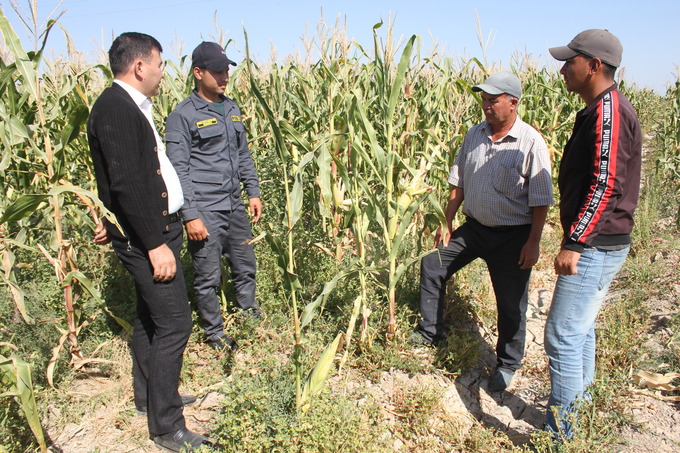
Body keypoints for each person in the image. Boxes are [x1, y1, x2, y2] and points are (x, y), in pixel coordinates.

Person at [88, 32, 213, 451]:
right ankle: (166, 426)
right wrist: (153, 243)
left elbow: (127, 177)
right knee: (176, 323)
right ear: (140, 66)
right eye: (159, 63)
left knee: (148, 318)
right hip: (150, 237)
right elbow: (124, 183)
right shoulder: (116, 108)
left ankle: (150, 399)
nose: (163, 72)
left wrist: (119, 219)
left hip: (154, 228)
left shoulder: (129, 106)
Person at [412, 71, 554, 392]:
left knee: (510, 302)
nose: (486, 105)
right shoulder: (474, 134)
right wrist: (446, 221)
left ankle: (507, 363)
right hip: (475, 229)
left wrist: (533, 242)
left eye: (493, 99)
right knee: (433, 265)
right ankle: (429, 332)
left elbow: (541, 199)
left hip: (513, 236)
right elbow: (458, 182)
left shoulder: (530, 142)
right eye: (484, 99)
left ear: (513, 103)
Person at [545, 29, 642, 438]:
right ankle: (578, 417)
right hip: (602, 242)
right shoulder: (599, 108)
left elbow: (606, 183)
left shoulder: (609, 111)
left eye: (571, 62)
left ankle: (562, 436)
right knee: (579, 329)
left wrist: (575, 242)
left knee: (561, 336)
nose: (564, 69)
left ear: (594, 66)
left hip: (596, 245)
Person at [165, 41, 262, 352]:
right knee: (208, 275)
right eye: (218, 71)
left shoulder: (231, 107)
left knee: (245, 264)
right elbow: (178, 170)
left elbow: (243, 154)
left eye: (227, 70)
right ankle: (214, 333)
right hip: (205, 208)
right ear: (198, 72)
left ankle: (249, 316)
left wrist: (253, 191)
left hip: (234, 205)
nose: (225, 76)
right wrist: (190, 214)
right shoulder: (182, 115)